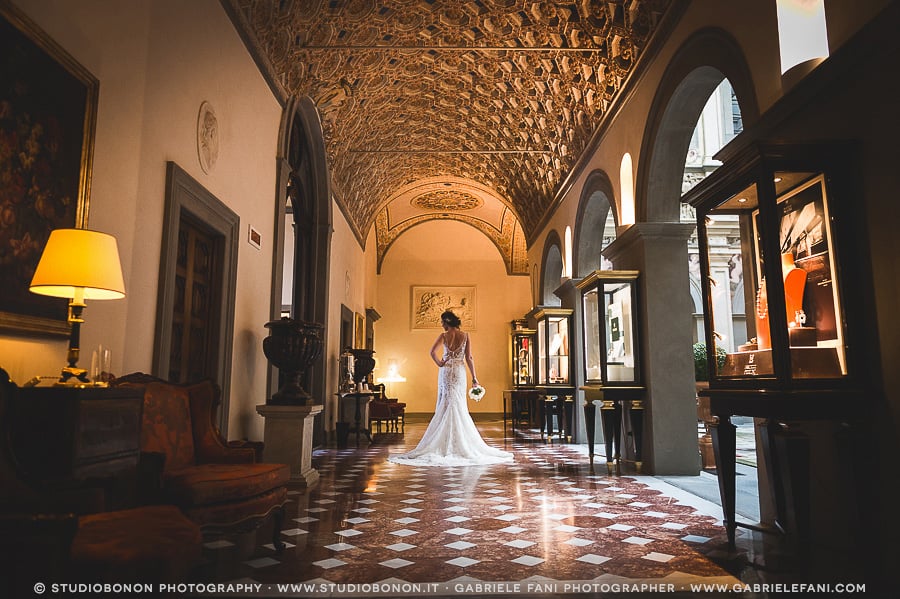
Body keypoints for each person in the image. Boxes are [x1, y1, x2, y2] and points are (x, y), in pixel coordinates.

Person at [389, 310, 513, 466]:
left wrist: (440, 363)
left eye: (442, 322)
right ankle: (459, 440)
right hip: (459, 371)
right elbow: (469, 357)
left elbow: (432, 352)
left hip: (447, 370)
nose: (441, 325)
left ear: (446, 322)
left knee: (446, 402)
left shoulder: (444, 336)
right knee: (458, 402)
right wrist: (475, 377)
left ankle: (442, 439)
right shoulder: (465, 336)